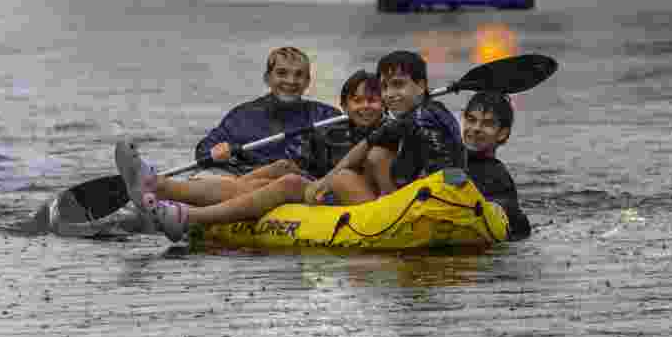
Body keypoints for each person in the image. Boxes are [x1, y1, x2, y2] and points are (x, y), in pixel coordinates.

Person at [114, 70, 384, 243]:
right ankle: (159, 188)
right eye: (357, 101)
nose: (365, 107)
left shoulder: (388, 129)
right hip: (323, 186)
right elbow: (307, 164)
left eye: (372, 100)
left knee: (289, 182)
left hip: (348, 198)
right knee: (280, 168)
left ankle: (184, 211)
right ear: (345, 105)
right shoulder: (334, 129)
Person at [304, 50, 465, 205]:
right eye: (385, 87)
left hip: (442, 195)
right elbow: (368, 142)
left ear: (421, 86)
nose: (389, 93)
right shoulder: (405, 119)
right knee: (376, 154)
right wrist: (327, 179)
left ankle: (384, 216)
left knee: (343, 178)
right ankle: (387, 204)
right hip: (419, 191)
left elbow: (447, 167)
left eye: (398, 84)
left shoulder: (428, 116)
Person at [193, 46, 342, 176]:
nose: (291, 81)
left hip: (302, 190)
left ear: (307, 81)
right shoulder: (241, 117)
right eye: (282, 73)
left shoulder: (328, 116)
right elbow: (203, 152)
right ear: (267, 78)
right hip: (247, 186)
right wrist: (215, 152)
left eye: (298, 75)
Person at [460, 91, 531, 240]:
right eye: (471, 120)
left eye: (487, 124)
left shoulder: (499, 179)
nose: (476, 128)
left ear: (502, 134)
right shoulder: (443, 157)